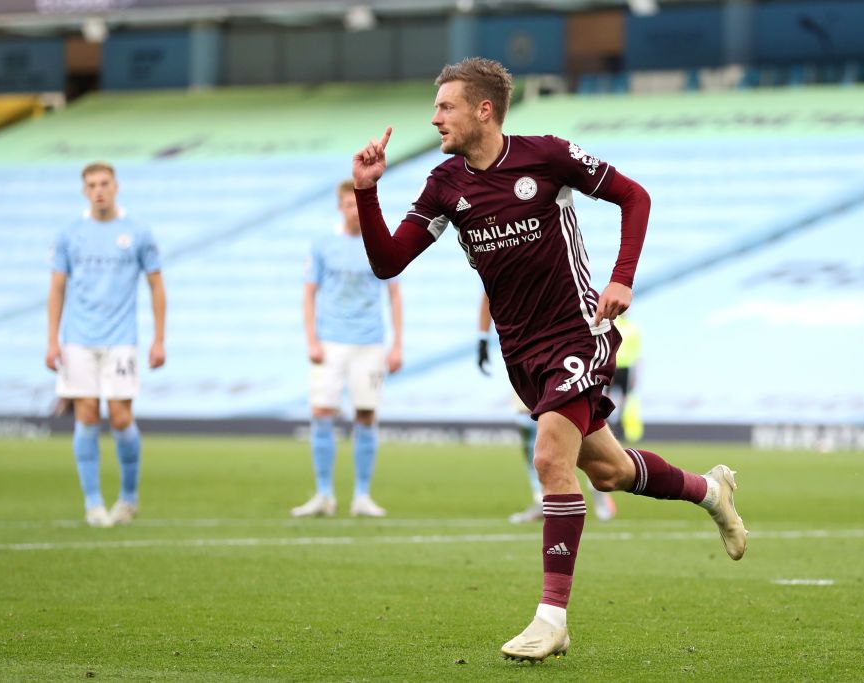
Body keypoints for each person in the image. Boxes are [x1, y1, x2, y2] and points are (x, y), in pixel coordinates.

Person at [351, 57, 747, 661]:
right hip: (520, 351)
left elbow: (634, 197)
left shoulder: (548, 156)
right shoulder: (444, 185)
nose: (434, 119)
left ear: (484, 110)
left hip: (576, 333)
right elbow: (387, 262)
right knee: (610, 471)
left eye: (445, 106)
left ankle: (551, 619)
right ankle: (711, 494)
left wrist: (621, 279)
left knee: (547, 459)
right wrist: (368, 190)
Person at [45, 162, 166, 528]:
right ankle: (94, 504)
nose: (99, 190)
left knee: (120, 417)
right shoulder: (70, 234)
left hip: (120, 340)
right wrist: (52, 339)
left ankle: (128, 499)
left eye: (104, 183)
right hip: (78, 339)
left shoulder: (138, 232)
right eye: (92, 185)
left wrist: (159, 338)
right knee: (85, 415)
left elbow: (156, 285)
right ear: (84, 191)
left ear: (116, 187)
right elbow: (57, 287)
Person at [292, 180, 404, 519]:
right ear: (340, 207)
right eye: (349, 204)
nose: (355, 210)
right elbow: (309, 293)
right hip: (331, 340)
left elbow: (394, 295)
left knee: (366, 414)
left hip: (369, 342)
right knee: (322, 412)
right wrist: (311, 339)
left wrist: (397, 343)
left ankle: (362, 496)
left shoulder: (379, 243)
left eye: (359, 204)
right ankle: (325, 494)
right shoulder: (324, 245)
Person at [477, 293, 616, 524]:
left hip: (561, 347)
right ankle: (541, 497)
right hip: (522, 351)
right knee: (526, 423)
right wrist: (482, 337)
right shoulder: (496, 259)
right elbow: (489, 290)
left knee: (568, 425)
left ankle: (597, 483)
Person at [605, 314, 644, 442]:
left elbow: (637, 353)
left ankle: (620, 424)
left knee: (624, 398)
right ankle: (608, 423)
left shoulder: (633, 329)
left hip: (626, 367)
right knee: (608, 396)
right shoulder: (611, 326)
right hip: (612, 365)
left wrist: (635, 373)